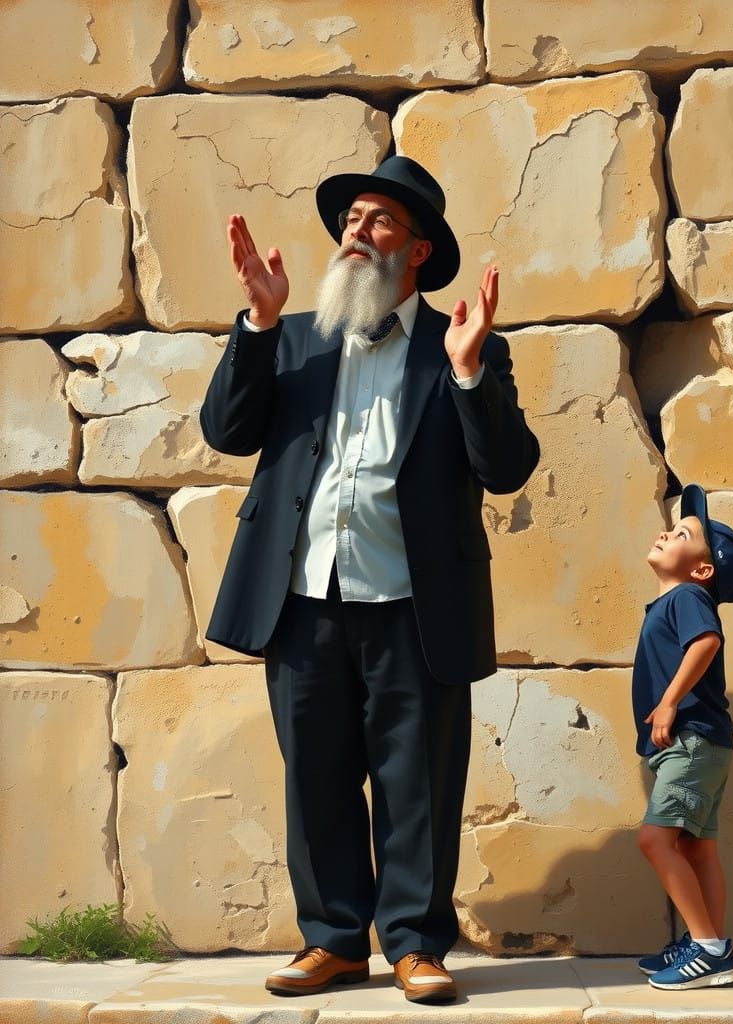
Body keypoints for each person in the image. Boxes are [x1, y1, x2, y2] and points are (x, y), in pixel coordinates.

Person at [199, 155, 540, 1004]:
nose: (356, 231)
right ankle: (333, 942)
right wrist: (257, 325)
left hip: (413, 604)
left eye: (379, 221)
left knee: (416, 783)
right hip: (303, 597)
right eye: (352, 217)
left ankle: (416, 946)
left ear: (417, 252)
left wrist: (468, 375)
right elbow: (226, 431)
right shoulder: (296, 336)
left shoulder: (460, 345)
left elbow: (506, 468)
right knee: (313, 776)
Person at [631, 483, 733, 991]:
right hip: (699, 743)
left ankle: (706, 949)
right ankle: (710, 942)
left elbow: (706, 642)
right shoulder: (673, 600)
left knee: (655, 840)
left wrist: (669, 702)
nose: (666, 532)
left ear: (702, 570)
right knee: (697, 848)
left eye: (681, 533)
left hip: (692, 739)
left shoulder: (687, 597)